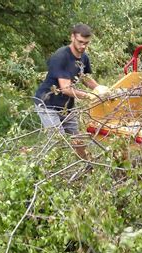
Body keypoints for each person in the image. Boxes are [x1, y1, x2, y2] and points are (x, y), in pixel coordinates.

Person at [34, 23, 106, 158]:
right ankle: (49, 171)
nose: (83, 46)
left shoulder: (83, 57)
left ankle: (87, 166)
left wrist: (99, 89)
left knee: (78, 139)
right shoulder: (61, 56)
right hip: (47, 104)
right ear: (72, 37)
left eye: (86, 43)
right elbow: (65, 89)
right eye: (80, 42)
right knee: (57, 140)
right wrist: (90, 96)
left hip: (66, 107)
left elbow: (85, 77)